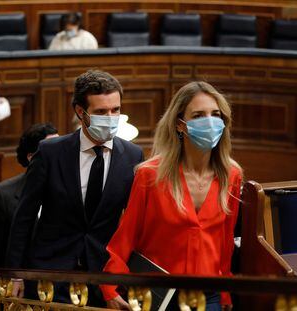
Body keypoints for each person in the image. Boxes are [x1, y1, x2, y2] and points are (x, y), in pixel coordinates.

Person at [100, 81, 243, 311]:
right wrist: (110, 287)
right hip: (159, 295)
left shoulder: (231, 175)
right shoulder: (150, 174)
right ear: (180, 124)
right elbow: (127, 235)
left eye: (216, 115)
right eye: (198, 115)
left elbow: (225, 239)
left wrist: (225, 290)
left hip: (209, 294)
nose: (210, 121)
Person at [6, 70, 144, 306]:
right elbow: (24, 217)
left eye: (116, 110)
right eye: (101, 112)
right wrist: (16, 273)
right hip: (51, 274)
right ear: (80, 112)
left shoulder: (133, 155)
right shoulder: (50, 153)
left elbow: (133, 222)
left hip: (103, 277)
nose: (111, 117)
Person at [0, 123, 58, 267]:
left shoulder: (70, 188)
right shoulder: (2, 195)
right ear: (31, 157)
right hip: (17, 283)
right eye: (53, 152)